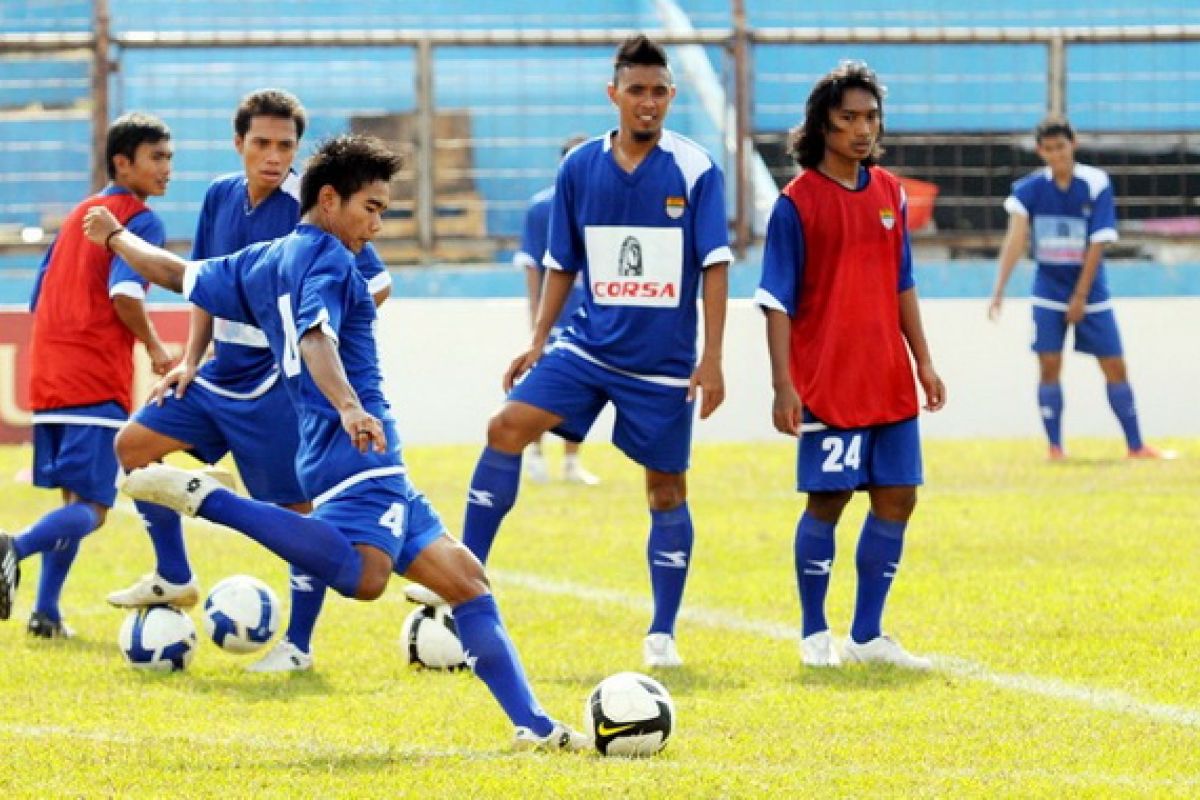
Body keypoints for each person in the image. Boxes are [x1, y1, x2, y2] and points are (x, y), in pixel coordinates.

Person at [82, 134, 588, 751]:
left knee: (466, 581)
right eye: (370, 207)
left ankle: (532, 726)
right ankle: (208, 499)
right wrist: (350, 407)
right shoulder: (328, 260)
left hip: (341, 450)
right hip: (356, 445)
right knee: (367, 578)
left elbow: (177, 273)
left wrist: (115, 237)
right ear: (328, 199)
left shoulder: (266, 258)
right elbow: (317, 338)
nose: (377, 223)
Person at [425, 35, 730, 670]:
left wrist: (713, 358)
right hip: (584, 347)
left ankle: (663, 633)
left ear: (671, 97)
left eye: (658, 92)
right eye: (636, 90)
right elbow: (561, 263)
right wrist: (538, 339)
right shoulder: (579, 167)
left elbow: (714, 265)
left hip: (663, 365)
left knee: (666, 490)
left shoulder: (697, 169)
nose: (647, 103)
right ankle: (463, 585)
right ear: (613, 93)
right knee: (506, 426)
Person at [105, 89, 392, 674]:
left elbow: (376, 283)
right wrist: (189, 359)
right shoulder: (219, 196)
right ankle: (174, 575)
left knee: (298, 516)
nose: (273, 155)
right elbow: (202, 284)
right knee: (134, 448)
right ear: (238, 144)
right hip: (218, 375)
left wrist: (310, 329)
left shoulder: (314, 210)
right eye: (261, 142)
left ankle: (298, 645)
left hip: (276, 388)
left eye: (285, 145)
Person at [756, 61, 946, 670]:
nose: (863, 129)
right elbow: (776, 301)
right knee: (829, 500)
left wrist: (925, 362)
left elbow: (902, 283)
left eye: (870, 117)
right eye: (849, 118)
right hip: (829, 381)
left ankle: (866, 635)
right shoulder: (797, 204)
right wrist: (784, 385)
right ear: (822, 125)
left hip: (888, 376)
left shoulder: (891, 193)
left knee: (898, 497)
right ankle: (815, 633)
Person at [0, 113, 175, 637]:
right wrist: (156, 347)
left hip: (49, 377)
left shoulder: (78, 215)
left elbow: (37, 296)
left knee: (73, 502)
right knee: (96, 508)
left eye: (169, 157)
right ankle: (12, 548)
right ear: (123, 163)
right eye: (157, 158)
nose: (167, 169)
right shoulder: (135, 220)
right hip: (93, 378)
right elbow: (124, 294)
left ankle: (47, 614)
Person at [989, 115, 1172, 461]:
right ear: (1041, 152)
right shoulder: (1028, 190)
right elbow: (1015, 239)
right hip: (1048, 289)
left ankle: (1136, 445)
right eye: (1049, 149)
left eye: (1062, 147)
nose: (1057, 154)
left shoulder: (1095, 183)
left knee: (1113, 364)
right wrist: (999, 288)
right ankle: (1055, 447)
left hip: (1091, 291)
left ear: (1073, 145)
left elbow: (1098, 244)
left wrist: (1081, 296)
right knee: (1049, 364)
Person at [514, 134, 599, 486]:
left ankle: (571, 461)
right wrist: (537, 320)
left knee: (582, 392)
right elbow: (534, 265)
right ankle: (534, 454)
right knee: (542, 387)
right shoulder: (541, 209)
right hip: (554, 316)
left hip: (589, 315)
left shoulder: (601, 205)